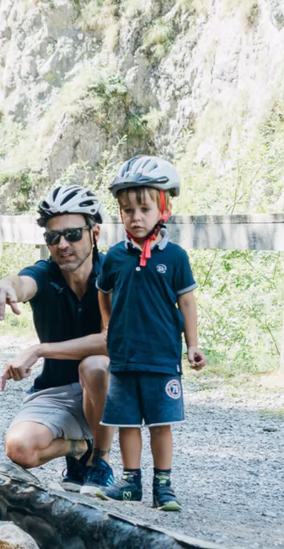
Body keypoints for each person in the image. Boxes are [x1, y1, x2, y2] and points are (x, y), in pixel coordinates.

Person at [0, 185, 116, 492]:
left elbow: (113, 341)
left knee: (95, 366)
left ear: (94, 233)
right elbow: (23, 283)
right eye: (52, 237)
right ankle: (78, 448)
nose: (63, 244)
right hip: (57, 390)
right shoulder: (46, 274)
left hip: (108, 389)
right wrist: (4, 286)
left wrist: (40, 350)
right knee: (20, 449)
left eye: (72, 234)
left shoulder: (114, 274)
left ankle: (100, 460)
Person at [94, 155, 205, 511]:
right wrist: (107, 324)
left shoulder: (175, 257)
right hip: (124, 358)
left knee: (160, 423)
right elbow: (103, 291)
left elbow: (187, 303)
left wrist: (193, 345)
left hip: (161, 358)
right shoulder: (114, 256)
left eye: (143, 209)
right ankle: (130, 482)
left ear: (163, 209)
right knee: (127, 422)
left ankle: (164, 485)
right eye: (127, 211)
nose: (136, 217)